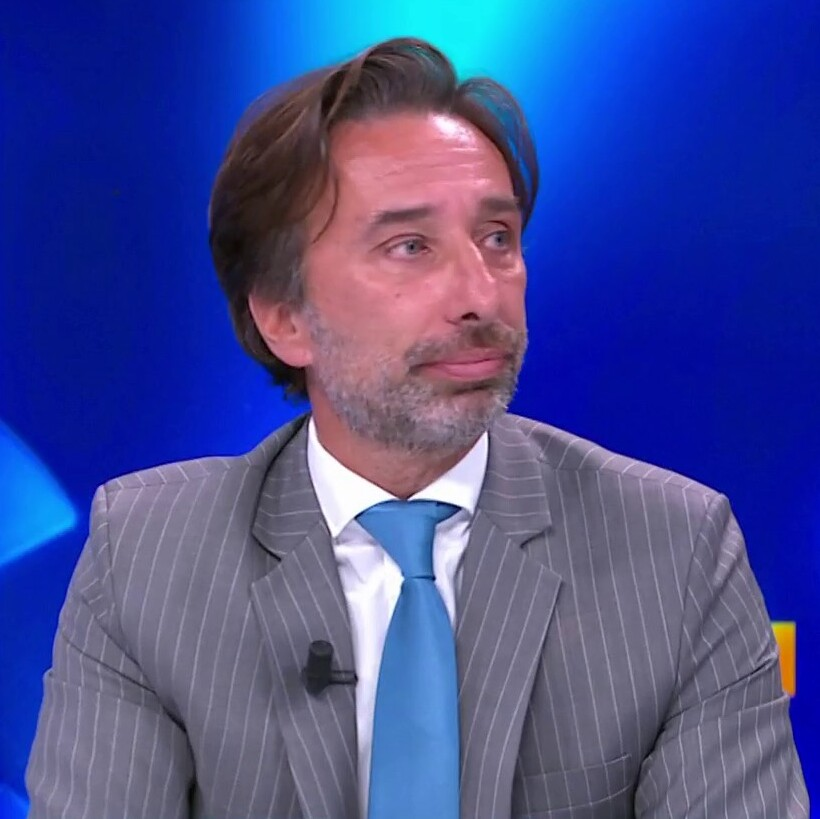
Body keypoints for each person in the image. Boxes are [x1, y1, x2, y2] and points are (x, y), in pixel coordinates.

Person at [26, 36, 807, 819]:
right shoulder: (148, 557)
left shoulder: (678, 551)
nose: (479, 295)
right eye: (410, 247)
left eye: (497, 238)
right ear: (284, 317)